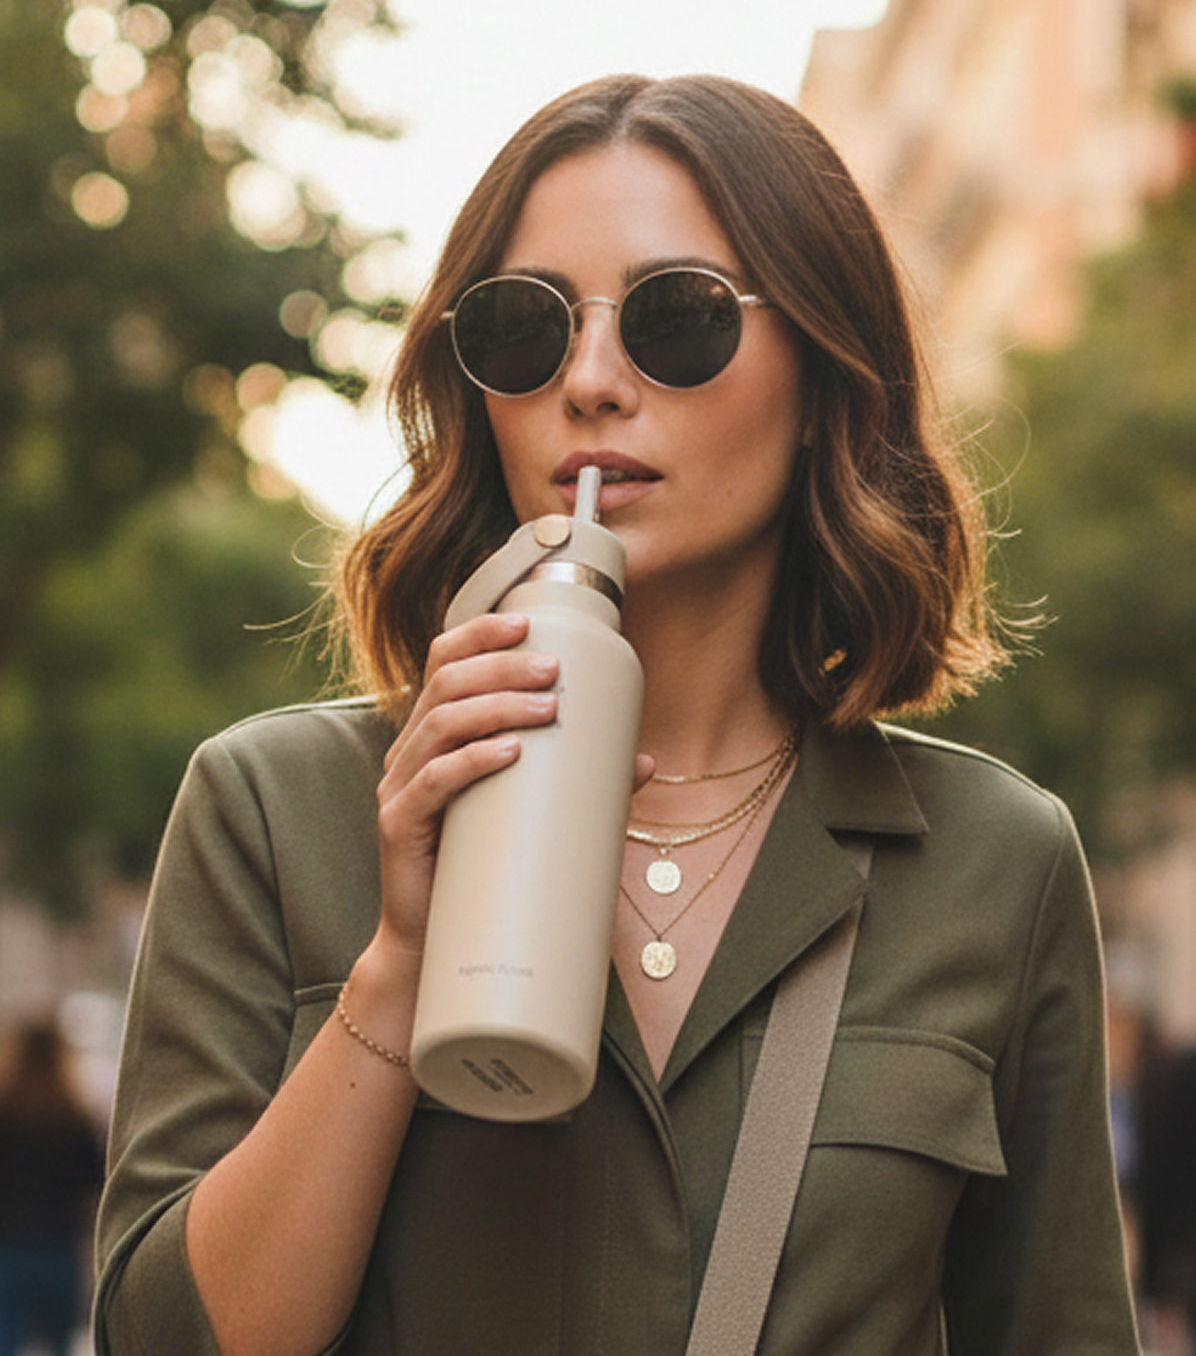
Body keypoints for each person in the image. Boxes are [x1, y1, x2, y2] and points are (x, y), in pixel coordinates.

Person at [94, 74, 1140, 1355]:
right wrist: (394, 974)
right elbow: (166, 1340)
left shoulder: (993, 858)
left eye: (678, 318)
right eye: (527, 329)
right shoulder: (274, 808)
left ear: (821, 374)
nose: (588, 380)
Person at [0, 1017, 105, 1356]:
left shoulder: (5, 1116)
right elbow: (96, 1183)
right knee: (60, 1346)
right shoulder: (73, 1118)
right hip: (60, 1249)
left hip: (11, 1250)